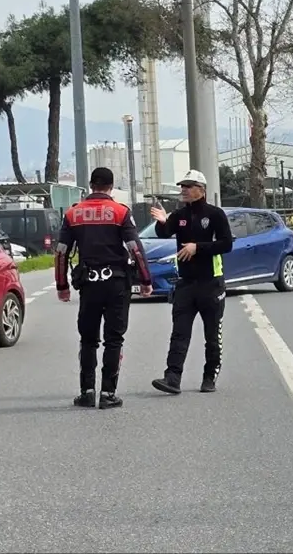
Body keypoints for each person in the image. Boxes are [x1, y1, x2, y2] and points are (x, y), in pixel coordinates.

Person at [54, 168, 153, 409]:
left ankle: (87, 391)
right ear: (111, 186)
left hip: (89, 284)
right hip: (117, 282)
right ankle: (108, 393)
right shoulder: (120, 212)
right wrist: (145, 280)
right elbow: (135, 248)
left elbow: (61, 252)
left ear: (90, 185)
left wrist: (62, 286)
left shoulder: (73, 213)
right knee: (114, 339)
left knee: (88, 339)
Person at [150, 170, 233, 395]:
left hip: (211, 283)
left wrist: (198, 247)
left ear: (201, 190)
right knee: (179, 332)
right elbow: (165, 232)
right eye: (182, 186)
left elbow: (227, 244)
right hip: (186, 284)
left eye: (189, 186)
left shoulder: (215, 214)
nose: (184, 190)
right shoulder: (179, 215)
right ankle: (172, 378)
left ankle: (209, 376)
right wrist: (161, 221)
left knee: (212, 335)